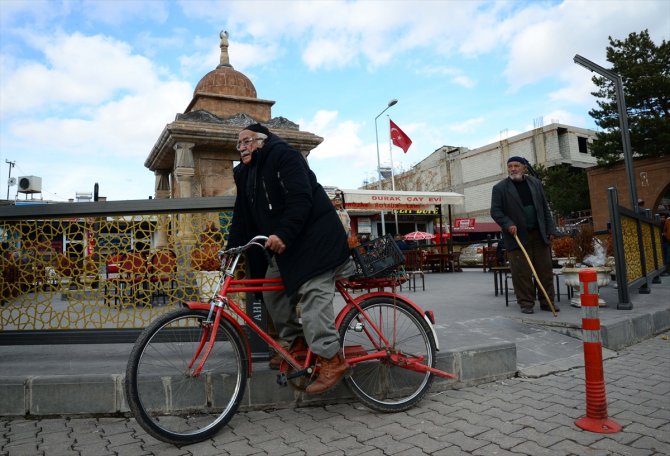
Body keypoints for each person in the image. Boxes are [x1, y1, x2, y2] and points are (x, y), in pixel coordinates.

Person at [227, 123, 355, 394]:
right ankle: (297, 341)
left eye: (247, 141)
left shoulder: (285, 156)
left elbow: (300, 198)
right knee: (270, 291)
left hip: (316, 241)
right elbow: (242, 216)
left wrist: (283, 232)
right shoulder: (245, 174)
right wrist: (232, 250)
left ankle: (331, 358)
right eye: (239, 144)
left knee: (313, 294)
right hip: (288, 246)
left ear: (263, 141)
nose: (242, 148)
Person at [491, 156, 560, 314]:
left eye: (516, 165)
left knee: (544, 270)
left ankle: (547, 301)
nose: (513, 169)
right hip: (516, 237)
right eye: (510, 166)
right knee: (522, 272)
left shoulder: (535, 183)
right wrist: (508, 224)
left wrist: (551, 230)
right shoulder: (500, 188)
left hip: (538, 234)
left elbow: (544, 208)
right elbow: (495, 211)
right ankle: (526, 303)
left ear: (524, 168)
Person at [661, 212, 670, 277]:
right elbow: (665, 231)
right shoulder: (667, 221)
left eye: (663, 217)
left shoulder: (667, 221)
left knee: (667, 256)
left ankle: (667, 271)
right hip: (666, 241)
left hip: (667, 241)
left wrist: (665, 234)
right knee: (666, 257)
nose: (662, 218)